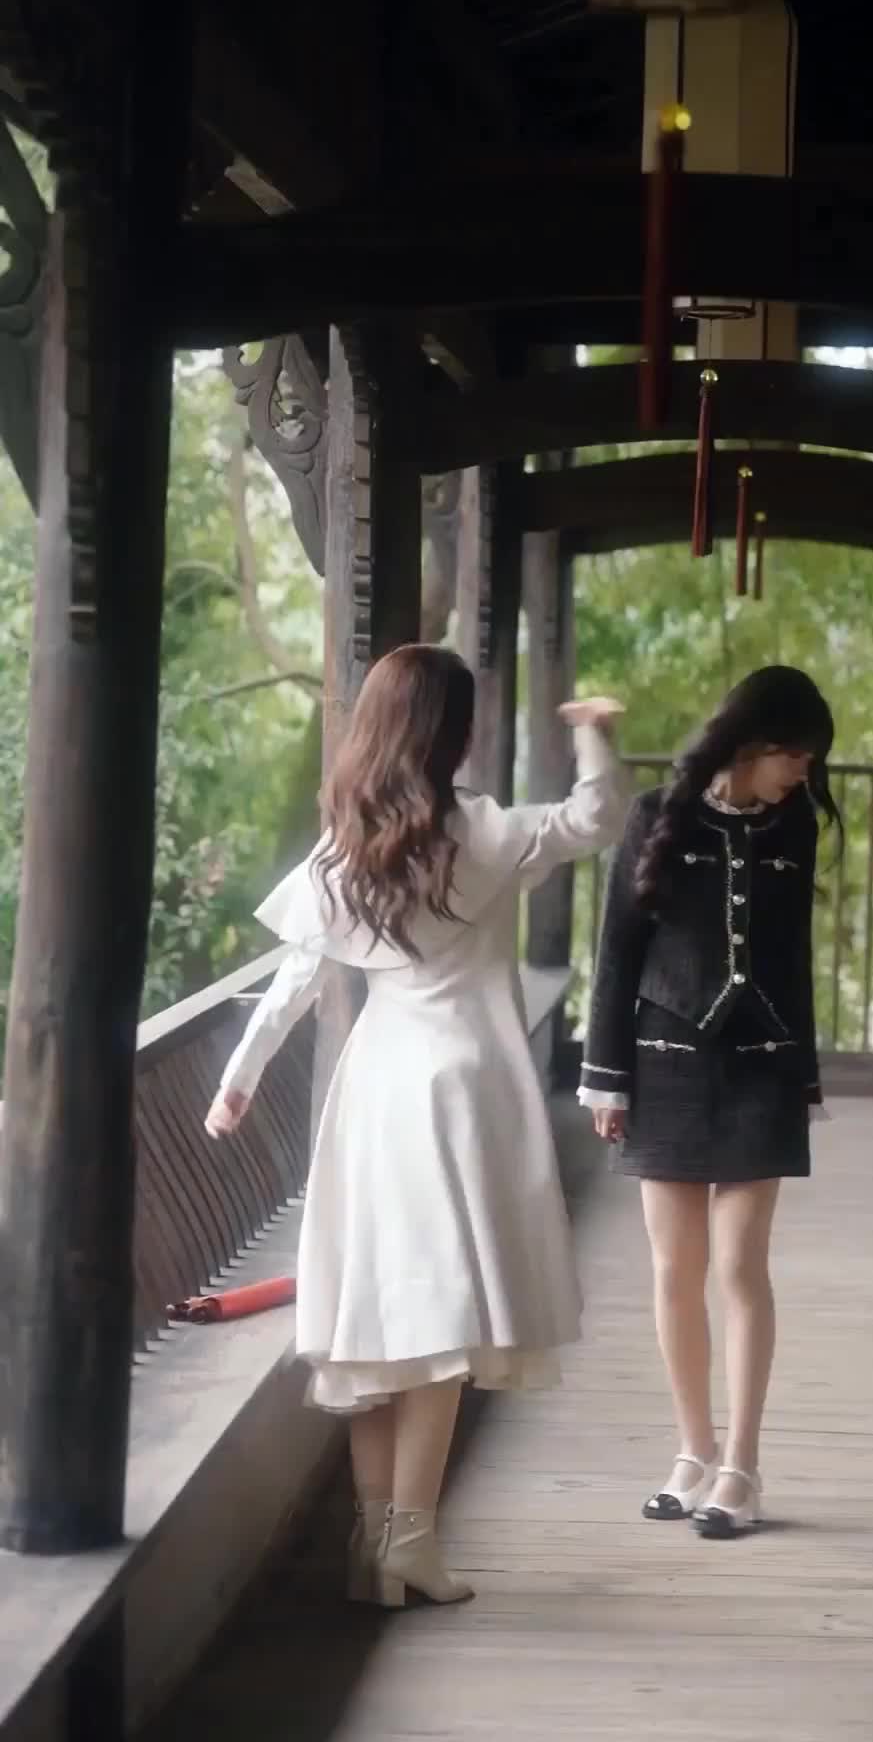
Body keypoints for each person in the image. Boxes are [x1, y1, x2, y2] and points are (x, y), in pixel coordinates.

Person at [204, 645, 627, 1607]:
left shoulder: (344, 848)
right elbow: (595, 818)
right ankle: (412, 1540)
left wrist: (239, 1079)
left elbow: (297, 978)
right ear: (456, 734)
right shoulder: (488, 832)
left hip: (379, 1089)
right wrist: (595, 735)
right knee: (442, 1319)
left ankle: (374, 1546)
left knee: (374, 1319)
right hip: (465, 1089)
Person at [578, 666, 840, 1539]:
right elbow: (617, 952)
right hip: (665, 1064)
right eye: (797, 756)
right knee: (673, 1269)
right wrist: (606, 1076)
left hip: (761, 1067)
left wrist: (804, 1077)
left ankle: (742, 1468)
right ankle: (692, 1452)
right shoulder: (656, 815)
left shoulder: (794, 825)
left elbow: (793, 955)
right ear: (754, 743)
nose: (804, 773)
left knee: (739, 1266)